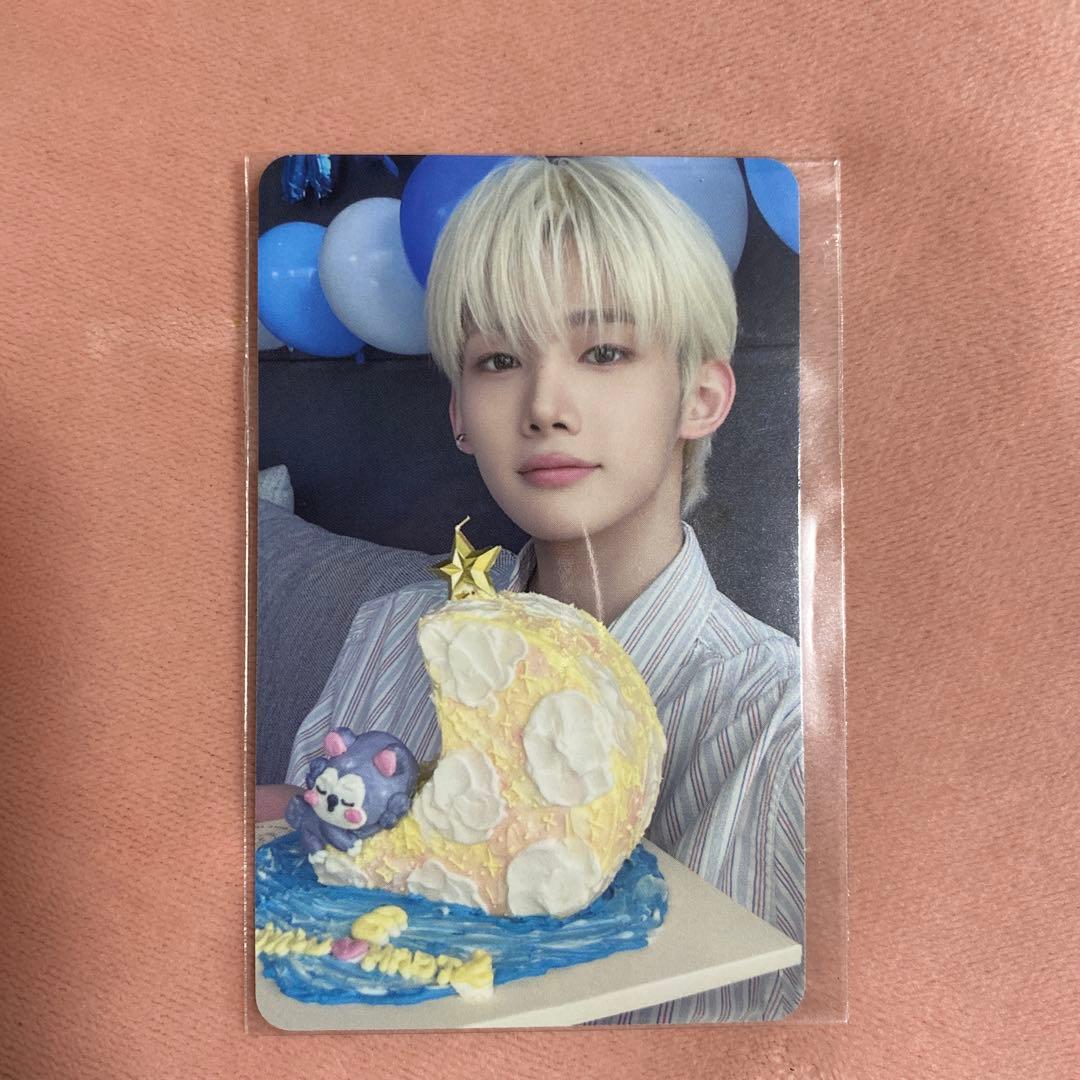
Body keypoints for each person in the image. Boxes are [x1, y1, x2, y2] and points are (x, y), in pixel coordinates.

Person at [261, 156, 804, 1023]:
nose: (545, 404)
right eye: (501, 358)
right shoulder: (390, 634)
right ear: (459, 414)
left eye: (604, 351)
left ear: (700, 395)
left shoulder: (784, 732)